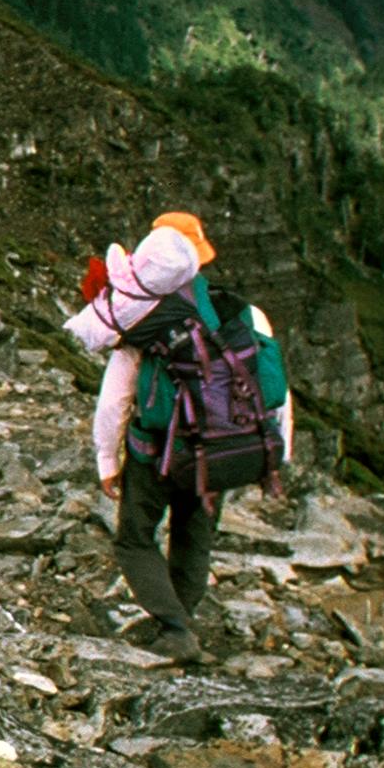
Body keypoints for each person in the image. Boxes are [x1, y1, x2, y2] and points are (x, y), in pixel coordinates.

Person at [63, 211, 294, 662]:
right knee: (194, 535)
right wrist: (276, 452)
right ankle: (180, 623)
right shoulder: (244, 312)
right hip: (224, 449)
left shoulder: (143, 320)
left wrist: (107, 462)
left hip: (158, 455)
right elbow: (275, 388)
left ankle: (174, 630)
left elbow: (115, 402)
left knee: (134, 537)